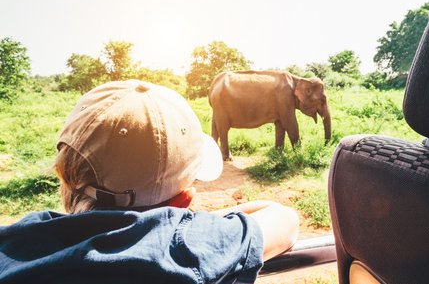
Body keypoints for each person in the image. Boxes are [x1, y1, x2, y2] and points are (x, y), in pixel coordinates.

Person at [0, 80, 299, 284]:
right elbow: (284, 220)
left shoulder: (14, 243)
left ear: (66, 178)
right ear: (184, 200)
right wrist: (187, 221)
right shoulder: (184, 246)